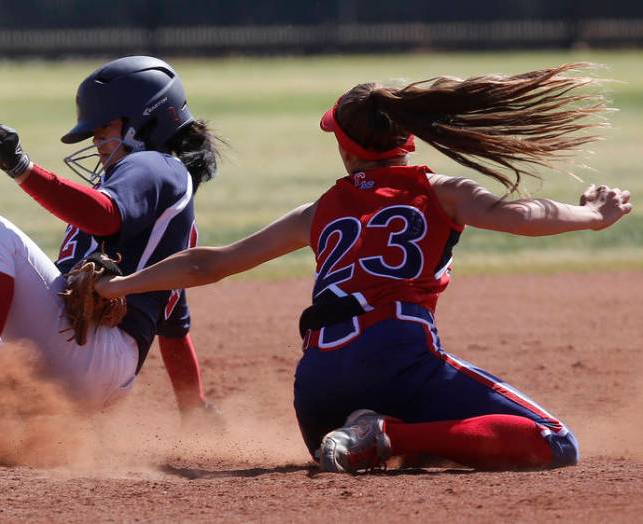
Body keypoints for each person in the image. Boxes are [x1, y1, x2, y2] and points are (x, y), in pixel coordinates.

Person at [96, 63, 632, 473]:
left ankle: (367, 437)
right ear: (409, 139)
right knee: (555, 441)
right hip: (397, 355)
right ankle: (388, 437)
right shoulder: (437, 190)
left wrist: (119, 282)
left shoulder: (320, 210)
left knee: (430, 432)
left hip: (317, 393)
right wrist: (592, 214)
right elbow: (520, 217)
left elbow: (209, 264)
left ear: (347, 150)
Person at [0, 55, 222, 415]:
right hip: (100, 372)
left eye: (104, 128)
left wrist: (22, 168)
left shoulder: (154, 165)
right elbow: (174, 329)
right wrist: (194, 408)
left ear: (143, 120)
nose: (97, 141)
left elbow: (106, 216)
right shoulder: (164, 198)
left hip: (95, 349)